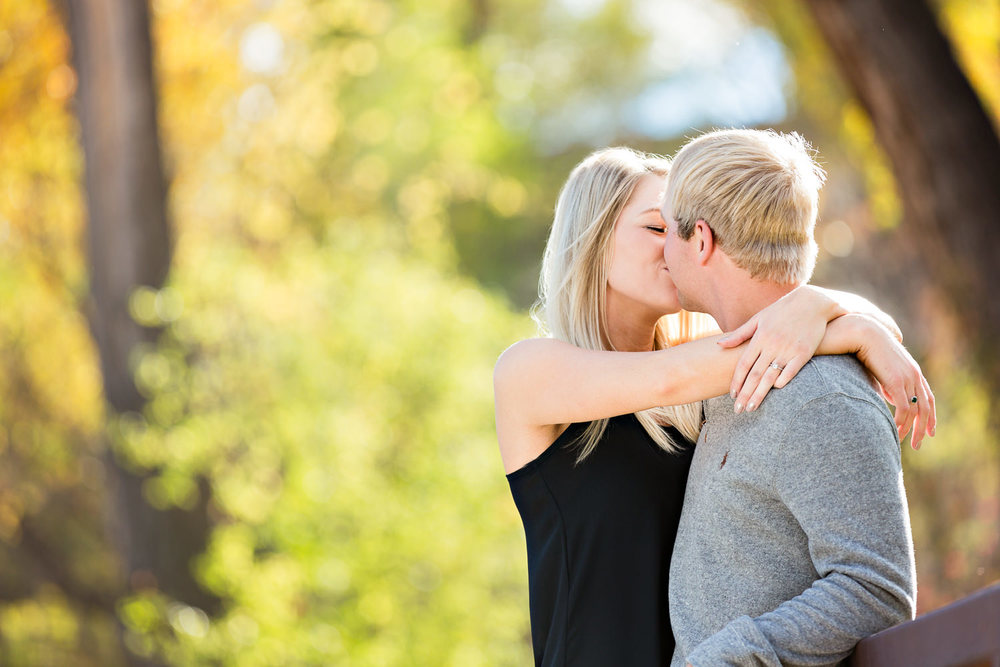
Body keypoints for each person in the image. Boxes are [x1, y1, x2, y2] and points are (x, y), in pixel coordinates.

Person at [493, 147, 934, 666]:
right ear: (592, 241)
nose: (675, 246)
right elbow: (670, 378)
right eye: (658, 229)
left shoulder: (713, 386)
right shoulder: (530, 371)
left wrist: (826, 311)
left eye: (682, 230)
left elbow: (755, 334)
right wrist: (847, 323)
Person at [661, 129, 924, 666]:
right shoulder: (725, 372)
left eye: (666, 229)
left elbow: (878, 589)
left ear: (702, 240)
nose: (662, 250)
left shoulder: (820, 398)